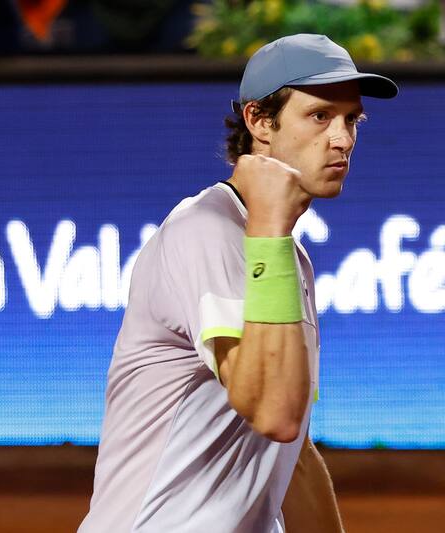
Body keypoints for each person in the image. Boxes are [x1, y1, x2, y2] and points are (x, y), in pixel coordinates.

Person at [78, 33, 398, 533]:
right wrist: (269, 231)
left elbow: (291, 449)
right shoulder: (207, 231)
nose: (342, 139)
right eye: (319, 117)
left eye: (351, 120)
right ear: (259, 121)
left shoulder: (282, 251)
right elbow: (273, 414)